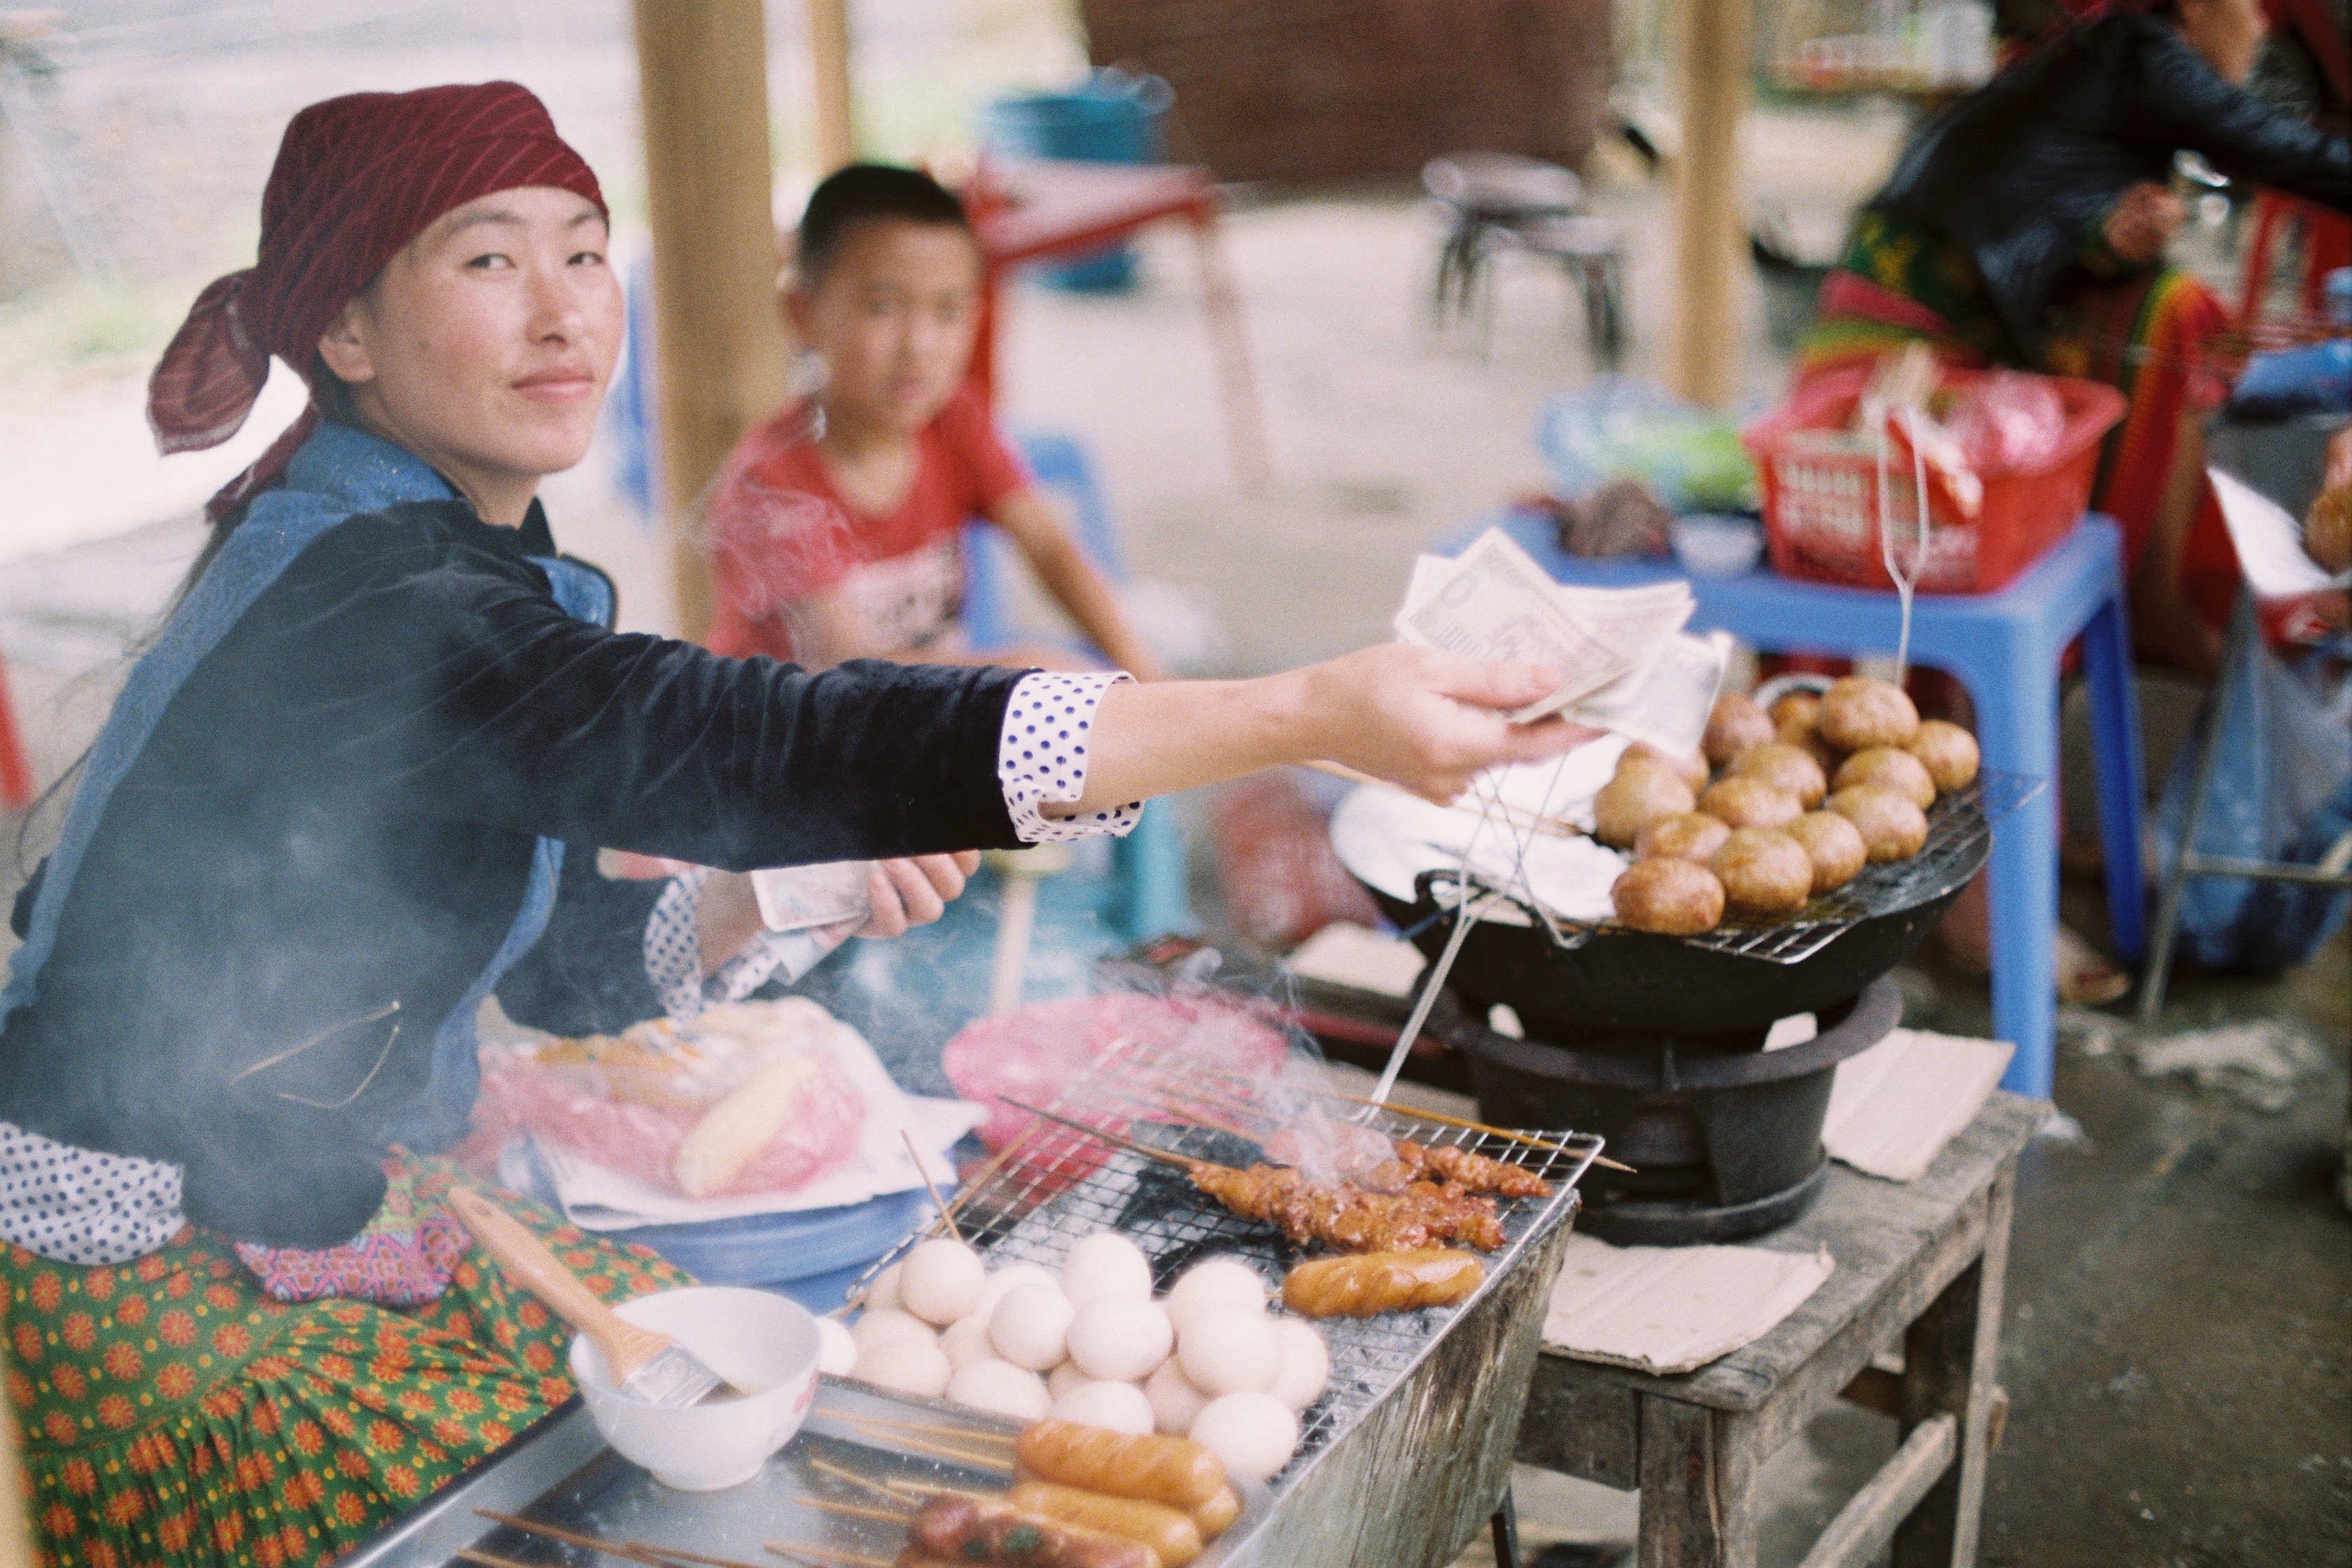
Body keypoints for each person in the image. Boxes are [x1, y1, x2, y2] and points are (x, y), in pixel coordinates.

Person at [0, 85, 1591, 1567]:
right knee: (563, 1482)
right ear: (342, 324)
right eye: (489, 261)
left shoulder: (441, 546)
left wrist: (787, 894)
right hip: (134, 1236)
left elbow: (556, 969)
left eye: (586, 254)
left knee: (702, 1380)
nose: (566, 313)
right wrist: (1301, 710)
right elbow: (742, 731)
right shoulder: (370, 601)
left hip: (320, 1174)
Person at [1798, 0, 2348, 677]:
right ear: (2200, 5)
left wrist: (2110, 240)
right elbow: (2288, 150)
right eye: (2252, 7)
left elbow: (2035, 212)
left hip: (1907, 299)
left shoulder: (2102, 58)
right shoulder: (2149, 52)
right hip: (1899, 326)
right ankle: (2148, 602)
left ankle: (2126, 613)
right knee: (2183, 314)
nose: (2263, 27)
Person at [704, 164, 1161, 676]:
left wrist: (1152, 684)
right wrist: (1024, 672)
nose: (920, 346)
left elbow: (1052, 551)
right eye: (883, 307)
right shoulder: (769, 484)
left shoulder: (953, 420)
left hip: (919, 720)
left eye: (948, 312)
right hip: (787, 745)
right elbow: (849, 674)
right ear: (801, 313)